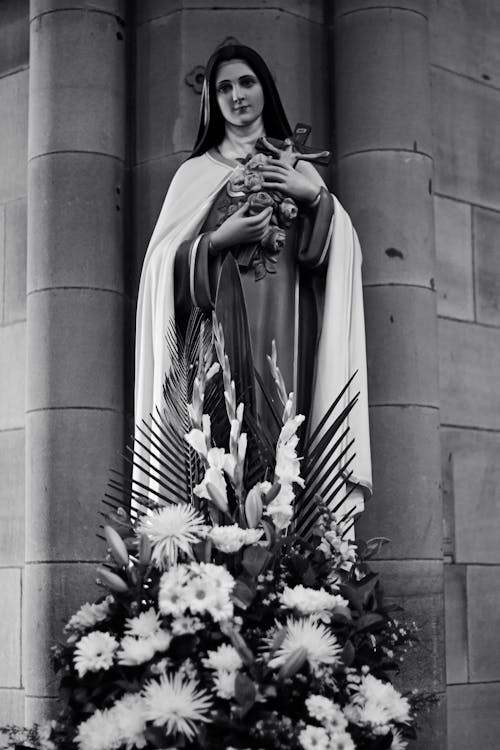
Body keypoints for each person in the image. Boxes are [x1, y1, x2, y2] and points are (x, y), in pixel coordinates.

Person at [134, 44, 371, 522]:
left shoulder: (296, 167)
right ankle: (218, 545)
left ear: (265, 88)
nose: (237, 95)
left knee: (287, 427)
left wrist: (315, 198)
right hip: (217, 334)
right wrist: (218, 240)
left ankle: (292, 549)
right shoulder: (194, 175)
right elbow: (160, 270)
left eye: (247, 82)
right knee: (221, 436)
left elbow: (338, 256)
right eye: (224, 87)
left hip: (289, 329)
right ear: (211, 101)